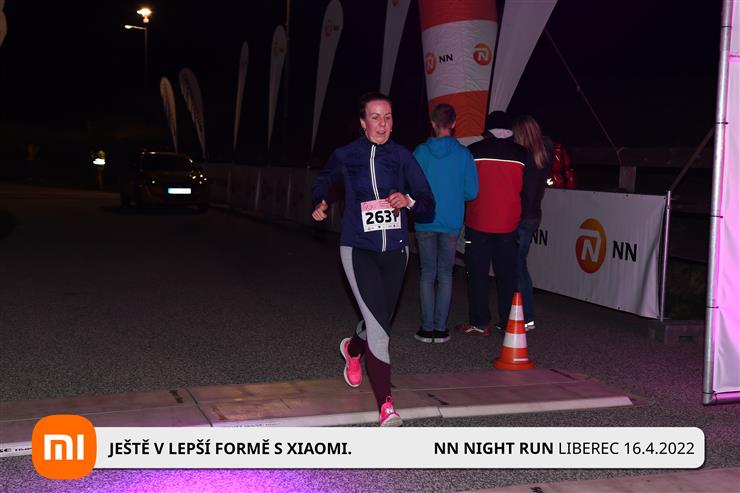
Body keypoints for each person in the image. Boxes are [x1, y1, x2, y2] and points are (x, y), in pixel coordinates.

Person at [311, 92, 435, 427]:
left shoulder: (402, 156)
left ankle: (352, 350)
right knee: (380, 331)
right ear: (363, 122)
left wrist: (408, 200)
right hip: (358, 248)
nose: (382, 124)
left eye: (388, 117)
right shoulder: (346, 155)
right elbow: (324, 180)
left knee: (378, 319)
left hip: (396, 252)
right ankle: (386, 407)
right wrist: (320, 200)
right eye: (376, 117)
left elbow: (427, 202)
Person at [455, 111, 532, 337]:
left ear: (487, 130)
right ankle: (508, 322)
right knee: (507, 275)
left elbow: (464, 187)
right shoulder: (522, 154)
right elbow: (528, 191)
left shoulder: (473, 151)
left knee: (477, 274)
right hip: (509, 223)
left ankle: (480, 323)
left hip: (478, 221)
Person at [412, 103, 478, 343]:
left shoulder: (420, 152)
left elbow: (410, 184)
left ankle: (426, 327)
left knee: (427, 273)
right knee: (445, 274)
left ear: (432, 123)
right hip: (451, 221)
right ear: (453, 123)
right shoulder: (464, 154)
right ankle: (440, 329)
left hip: (425, 220)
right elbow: (472, 192)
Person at [512, 115, 553, 331]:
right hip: (534, 215)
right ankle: (524, 315)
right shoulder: (543, 154)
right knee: (520, 265)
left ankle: (525, 316)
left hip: (522, 216)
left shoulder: (525, 157)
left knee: (517, 266)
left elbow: (525, 192)